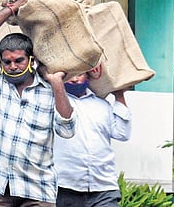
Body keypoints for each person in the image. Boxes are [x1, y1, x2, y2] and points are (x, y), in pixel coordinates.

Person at [0, 0, 77, 206]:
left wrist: (57, 84)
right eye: (7, 62)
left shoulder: (48, 90)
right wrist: (12, 9)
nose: (13, 66)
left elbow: (67, 130)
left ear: (31, 60)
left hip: (37, 190)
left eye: (18, 60)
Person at [54, 73, 132, 207]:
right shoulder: (53, 104)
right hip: (65, 187)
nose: (74, 79)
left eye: (79, 74)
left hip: (103, 187)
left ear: (89, 76)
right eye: (70, 75)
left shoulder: (103, 105)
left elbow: (122, 133)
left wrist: (119, 94)